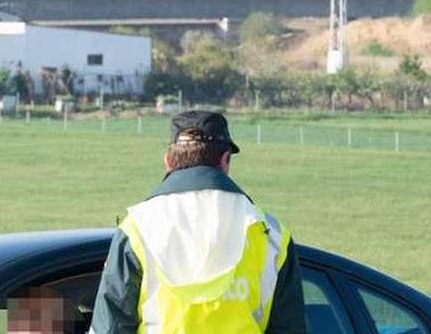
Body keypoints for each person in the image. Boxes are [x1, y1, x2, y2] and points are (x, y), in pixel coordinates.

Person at [90, 111, 306, 333]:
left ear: (168, 161)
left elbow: (110, 327)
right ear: (224, 160)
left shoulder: (138, 227)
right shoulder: (270, 233)